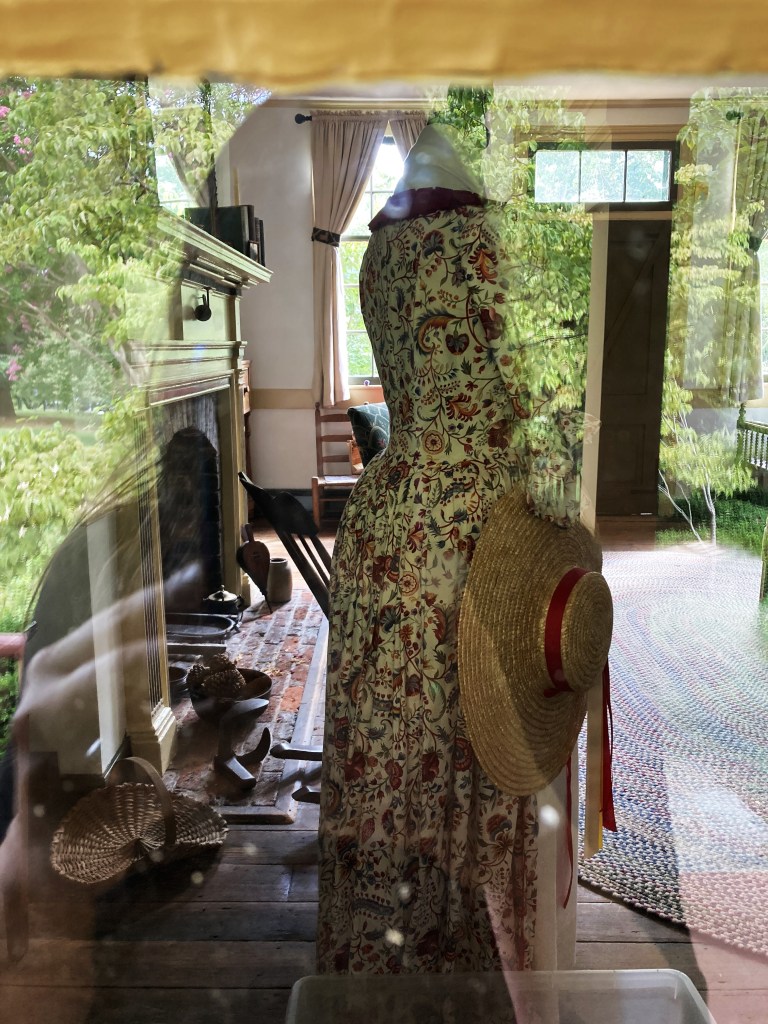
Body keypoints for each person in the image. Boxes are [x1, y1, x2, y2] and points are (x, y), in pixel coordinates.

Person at [317, 123, 584, 974]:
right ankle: (473, 960)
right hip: (479, 535)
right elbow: (536, 409)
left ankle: (384, 959)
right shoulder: (486, 246)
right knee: (482, 739)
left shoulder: (374, 255)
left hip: (388, 522)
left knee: (394, 750)